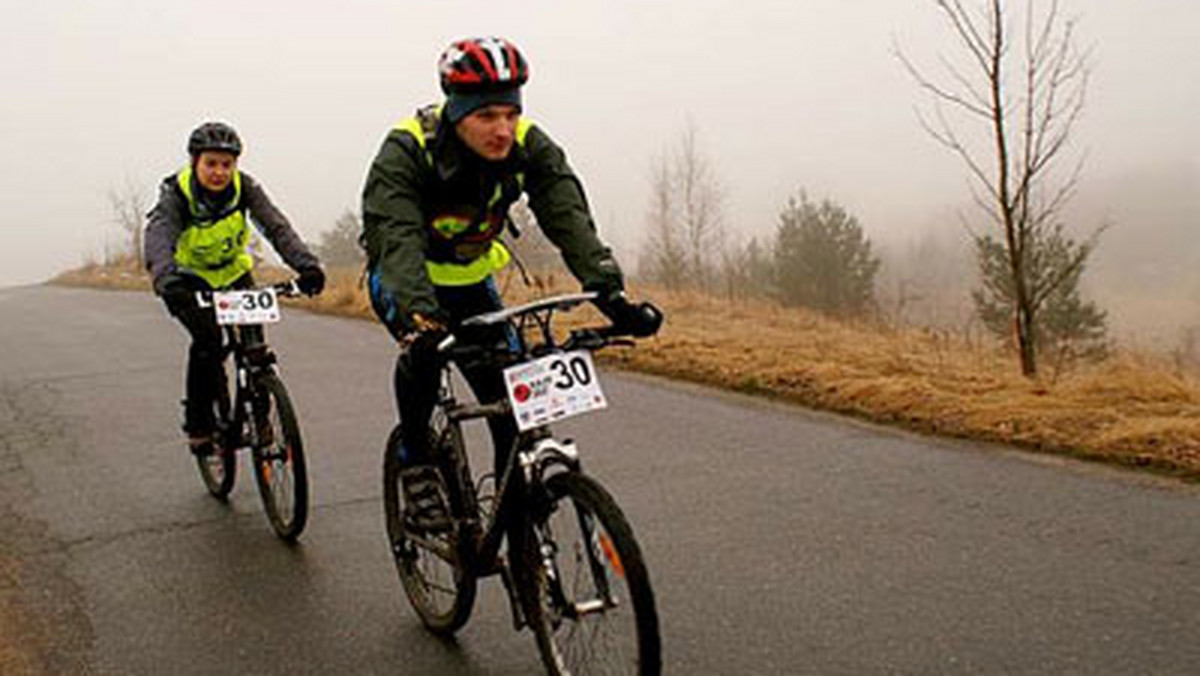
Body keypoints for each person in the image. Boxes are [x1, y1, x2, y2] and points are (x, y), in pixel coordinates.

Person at [360, 37, 662, 530]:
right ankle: (415, 461)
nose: (502, 130)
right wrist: (420, 318)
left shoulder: (529, 144)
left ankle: (515, 520)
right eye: (486, 117)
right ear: (456, 113)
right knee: (423, 360)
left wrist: (611, 293)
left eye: (509, 113)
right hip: (406, 280)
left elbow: (568, 217)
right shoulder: (408, 149)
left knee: (513, 401)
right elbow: (396, 238)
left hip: (474, 280)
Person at [145, 121, 326, 456]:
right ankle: (199, 424)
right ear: (194, 162)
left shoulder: (246, 189)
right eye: (210, 163)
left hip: (233, 274)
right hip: (188, 280)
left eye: (226, 164)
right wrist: (165, 279)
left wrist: (306, 266)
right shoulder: (177, 195)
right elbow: (159, 236)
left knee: (254, 346)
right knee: (209, 342)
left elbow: (276, 227)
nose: (219, 172)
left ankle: (261, 416)